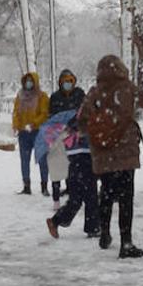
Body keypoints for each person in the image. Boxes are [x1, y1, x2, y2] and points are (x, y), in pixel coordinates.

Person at [78, 55, 143, 258]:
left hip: (103, 153)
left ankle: (105, 233)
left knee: (107, 194)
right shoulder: (128, 89)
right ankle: (126, 243)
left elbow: (81, 120)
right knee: (126, 197)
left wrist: (98, 131)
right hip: (125, 152)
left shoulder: (95, 92)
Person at [44, 114, 99, 239]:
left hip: (74, 161)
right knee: (91, 196)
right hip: (85, 158)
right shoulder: (90, 120)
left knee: (76, 199)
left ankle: (56, 220)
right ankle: (93, 228)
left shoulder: (73, 124)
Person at [46, 69, 85, 202]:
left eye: (70, 81)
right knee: (58, 164)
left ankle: (73, 191)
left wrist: (75, 126)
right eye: (64, 81)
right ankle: (57, 195)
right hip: (59, 134)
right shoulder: (55, 97)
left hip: (76, 135)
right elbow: (51, 116)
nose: (67, 84)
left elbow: (84, 112)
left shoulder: (79, 94)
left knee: (74, 165)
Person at [12, 72, 50, 195]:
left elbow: (44, 114)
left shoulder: (42, 96)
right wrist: (16, 126)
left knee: (42, 160)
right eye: (27, 81)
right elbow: (16, 112)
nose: (29, 83)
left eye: (31, 81)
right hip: (24, 133)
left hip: (38, 132)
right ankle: (26, 185)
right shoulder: (20, 96)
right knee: (24, 160)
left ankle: (44, 186)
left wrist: (33, 124)